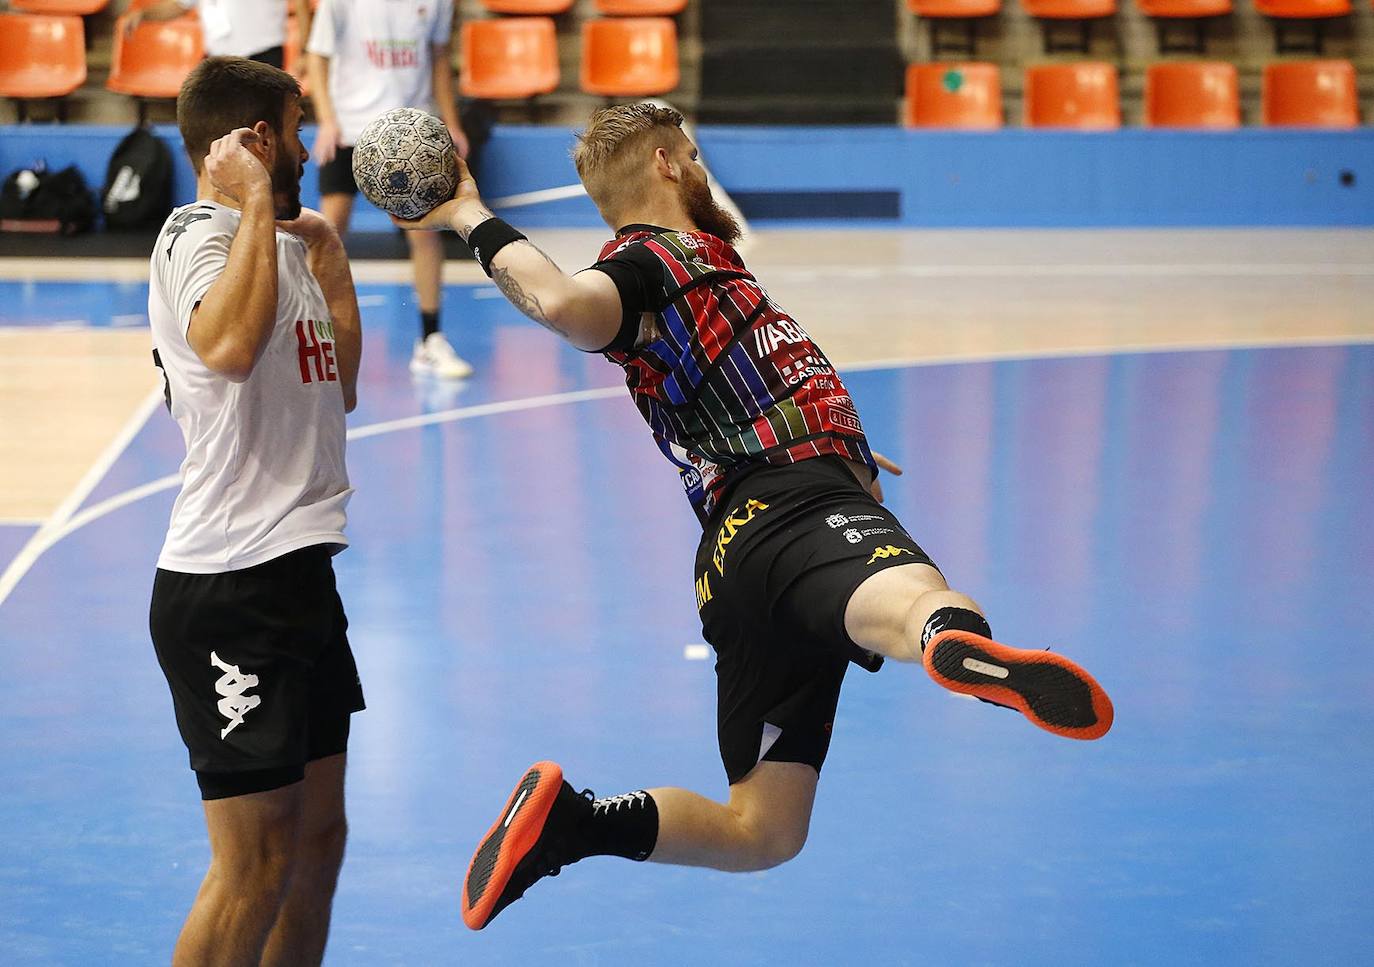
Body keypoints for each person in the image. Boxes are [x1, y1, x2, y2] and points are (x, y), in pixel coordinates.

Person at [395, 103, 1116, 931]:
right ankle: (946, 638)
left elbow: (726, 379)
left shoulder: (708, 270)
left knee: (764, 828)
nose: (702, 169)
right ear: (667, 165)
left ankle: (573, 825)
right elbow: (562, 303)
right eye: (694, 154)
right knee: (921, 600)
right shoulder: (648, 262)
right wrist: (465, 214)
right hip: (792, 509)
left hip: (735, 559)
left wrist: (832, 439)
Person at [147, 56, 364, 966]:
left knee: (317, 844)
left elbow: (339, 385)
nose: (311, 150)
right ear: (255, 141)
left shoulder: (279, 245)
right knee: (254, 865)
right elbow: (231, 347)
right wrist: (242, 200)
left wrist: (329, 256)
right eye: (295, 131)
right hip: (229, 589)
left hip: (300, 574)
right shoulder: (196, 238)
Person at [307, 0, 473, 379]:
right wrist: (328, 121)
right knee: (328, 232)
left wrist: (451, 122)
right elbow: (316, 59)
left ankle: (430, 340)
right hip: (350, 130)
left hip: (410, 137)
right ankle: (306, 334)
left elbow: (438, 60)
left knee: (425, 234)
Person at [124, 0, 312, 70]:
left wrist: (304, 52)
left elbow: (301, 5)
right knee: (208, 130)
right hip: (218, 57)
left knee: (258, 132)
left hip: (262, 56)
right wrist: (143, 14)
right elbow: (179, 5)